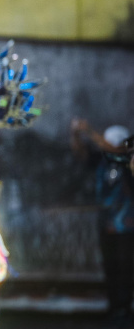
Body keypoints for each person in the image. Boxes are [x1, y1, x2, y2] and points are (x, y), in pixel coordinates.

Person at [71, 119, 134, 328]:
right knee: (111, 268)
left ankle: (124, 310)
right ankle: (115, 308)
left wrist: (88, 130)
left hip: (127, 225)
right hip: (106, 223)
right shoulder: (102, 161)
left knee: (126, 268)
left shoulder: (127, 159)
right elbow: (82, 153)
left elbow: (114, 148)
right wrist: (76, 135)